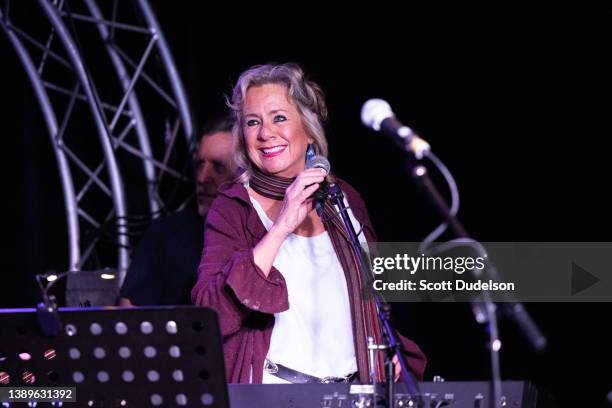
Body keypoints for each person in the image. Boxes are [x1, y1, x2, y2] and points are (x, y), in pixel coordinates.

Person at [191, 63, 426, 384]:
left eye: (279, 118)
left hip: (355, 393)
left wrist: (387, 351)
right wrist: (280, 227)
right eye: (252, 122)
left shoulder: (345, 199)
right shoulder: (233, 207)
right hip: (276, 391)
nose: (265, 133)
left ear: (308, 126)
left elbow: (373, 297)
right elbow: (210, 314)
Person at [119, 116, 235, 306]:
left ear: (245, 174)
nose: (202, 178)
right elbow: (127, 318)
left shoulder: (266, 236)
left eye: (218, 167)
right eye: (200, 164)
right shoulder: (165, 234)